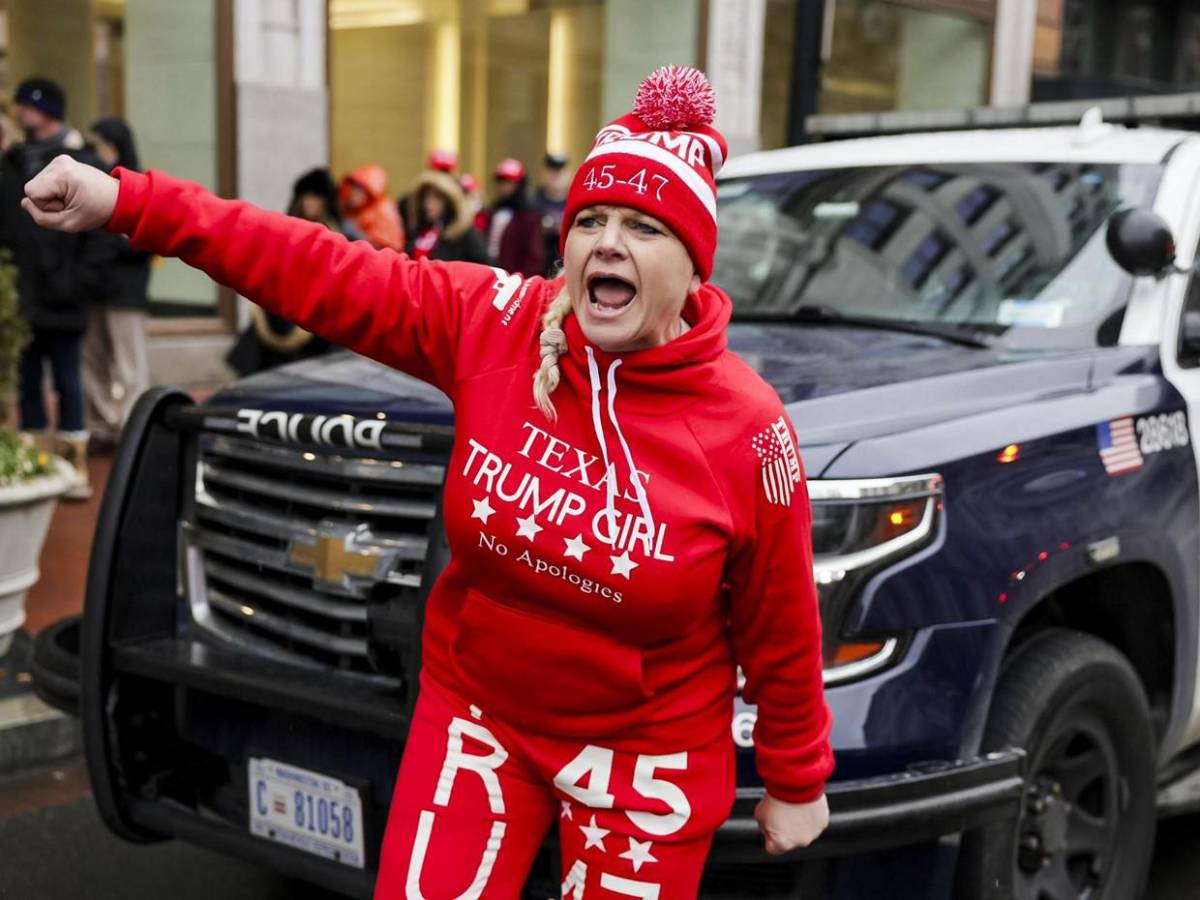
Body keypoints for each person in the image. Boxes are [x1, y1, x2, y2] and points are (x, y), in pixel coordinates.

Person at [23, 66, 832, 897]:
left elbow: (780, 620)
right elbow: (317, 268)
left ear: (695, 267)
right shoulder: (497, 321)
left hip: (646, 754)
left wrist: (796, 776)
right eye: (590, 219)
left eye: (645, 227)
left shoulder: (747, 427)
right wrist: (129, 202)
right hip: (480, 717)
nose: (608, 243)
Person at [0, 77, 114, 499]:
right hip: (22, 296)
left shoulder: (81, 162)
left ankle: (73, 465)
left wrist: (77, 282)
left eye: (26, 105)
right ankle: (35, 462)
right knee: (28, 380)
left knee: (68, 378)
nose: (19, 112)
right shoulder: (13, 162)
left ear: (46, 110)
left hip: (64, 298)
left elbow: (104, 233)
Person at [225, 168, 351, 376]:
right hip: (285, 301)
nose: (309, 203)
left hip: (318, 310)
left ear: (325, 201)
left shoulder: (339, 236)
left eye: (315, 197)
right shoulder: (288, 229)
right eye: (306, 197)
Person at [83, 116, 152, 450]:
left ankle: (134, 429)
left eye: (103, 144)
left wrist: (107, 245)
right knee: (93, 361)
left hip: (126, 291)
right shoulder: (90, 181)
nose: (98, 151)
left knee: (129, 365)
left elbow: (146, 241)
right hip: (94, 288)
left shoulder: (139, 185)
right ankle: (102, 427)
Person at [403, 167, 490, 265]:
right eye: (425, 197)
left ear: (448, 201)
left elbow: (487, 267)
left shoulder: (464, 235)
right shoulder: (420, 231)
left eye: (436, 197)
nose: (428, 204)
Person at [482, 157, 544, 276]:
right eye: (501, 182)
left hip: (515, 278)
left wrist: (520, 279)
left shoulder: (529, 216)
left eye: (509, 182)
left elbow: (534, 257)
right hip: (492, 273)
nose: (504, 186)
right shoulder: (493, 211)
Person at [338, 163, 405, 252]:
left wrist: (358, 236)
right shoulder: (352, 207)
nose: (354, 192)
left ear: (371, 192)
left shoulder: (384, 210)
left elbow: (392, 250)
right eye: (354, 186)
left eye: (361, 189)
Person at [534, 151, 570, 276]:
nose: (556, 176)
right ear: (544, 173)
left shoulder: (575, 200)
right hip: (538, 268)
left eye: (560, 171)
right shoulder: (532, 201)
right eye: (552, 171)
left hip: (566, 267)